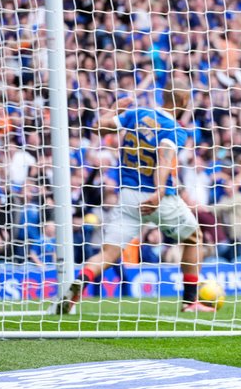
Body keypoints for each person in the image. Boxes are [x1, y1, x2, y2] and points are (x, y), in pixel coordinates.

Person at [57, 77, 209, 314]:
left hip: (127, 195)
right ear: (183, 100)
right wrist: (159, 191)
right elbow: (164, 158)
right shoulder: (175, 130)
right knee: (194, 238)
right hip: (156, 197)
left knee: (108, 253)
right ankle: (191, 301)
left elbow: (97, 126)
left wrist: (116, 107)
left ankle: (83, 278)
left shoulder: (137, 114)